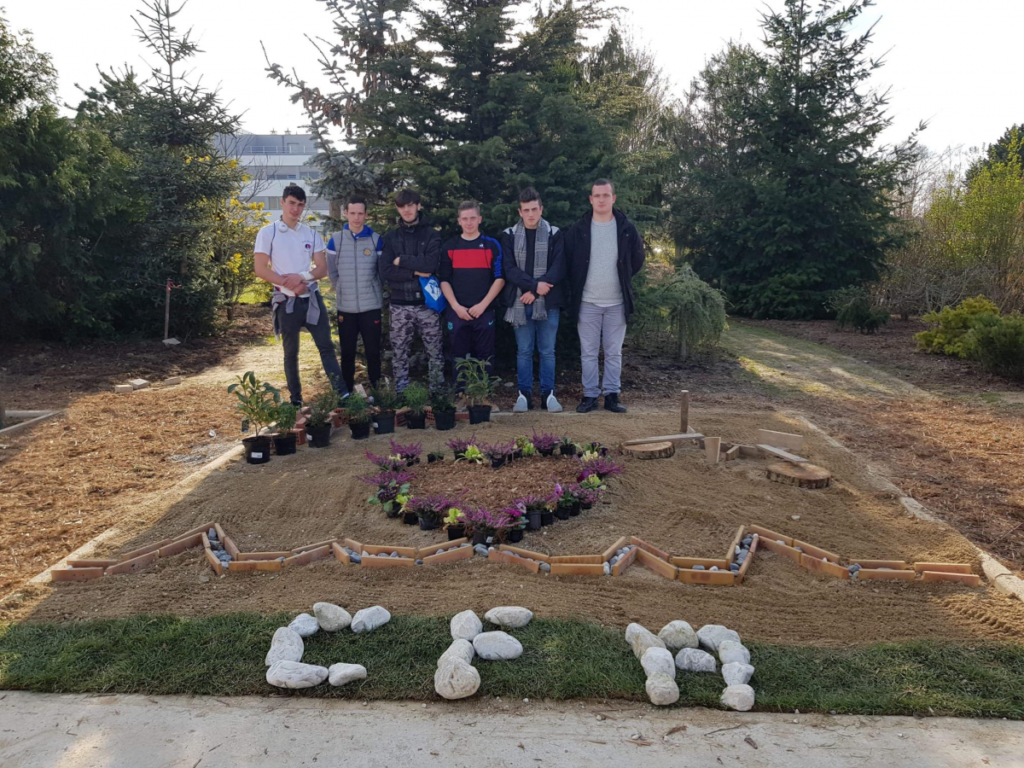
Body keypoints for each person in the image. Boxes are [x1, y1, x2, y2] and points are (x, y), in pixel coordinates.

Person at [253, 184, 346, 406]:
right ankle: (296, 401)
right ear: (283, 202)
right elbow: (261, 269)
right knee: (290, 353)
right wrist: (291, 283)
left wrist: (301, 277)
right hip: (286, 302)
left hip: (311, 299)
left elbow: (322, 269)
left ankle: (343, 395)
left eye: (300, 205)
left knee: (326, 348)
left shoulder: (311, 233)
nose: (296, 209)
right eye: (292, 203)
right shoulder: (268, 232)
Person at [565, 179, 645, 414]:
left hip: (617, 302)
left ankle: (612, 395)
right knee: (588, 352)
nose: (601, 199)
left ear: (613, 198)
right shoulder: (579, 229)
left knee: (613, 352)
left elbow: (637, 259)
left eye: (605, 195)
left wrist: (623, 275)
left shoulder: (626, 228)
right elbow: (568, 261)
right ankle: (589, 396)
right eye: (597, 195)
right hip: (587, 301)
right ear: (591, 199)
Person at [500, 187, 566, 413]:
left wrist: (536, 291)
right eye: (526, 210)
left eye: (534, 209)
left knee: (548, 351)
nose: (531, 214)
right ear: (520, 211)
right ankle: (524, 395)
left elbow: (558, 268)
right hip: (520, 303)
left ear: (541, 209)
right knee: (524, 351)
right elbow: (509, 269)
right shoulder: (509, 235)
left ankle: (549, 394)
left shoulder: (554, 233)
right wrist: (533, 286)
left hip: (547, 303)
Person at [378, 188, 444, 392]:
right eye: (402, 206)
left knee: (435, 352)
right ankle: (401, 394)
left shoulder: (432, 235)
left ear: (418, 206)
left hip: (427, 306)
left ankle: (437, 394)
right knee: (399, 353)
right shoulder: (390, 238)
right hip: (399, 305)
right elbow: (386, 270)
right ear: (397, 209)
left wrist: (403, 261)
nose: (406, 210)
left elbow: (431, 265)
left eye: (410, 205)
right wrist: (416, 272)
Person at [439, 201, 505, 383]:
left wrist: (483, 305)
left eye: (473, 218)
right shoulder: (450, 246)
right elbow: (444, 280)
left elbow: (500, 278)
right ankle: (461, 395)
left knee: (486, 355)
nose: (469, 222)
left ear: (480, 219)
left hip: (484, 310)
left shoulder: (492, 245)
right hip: (458, 311)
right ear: (459, 221)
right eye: (465, 219)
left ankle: (484, 397)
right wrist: (456, 306)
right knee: (458, 355)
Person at [326, 195, 384, 394]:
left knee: (373, 352)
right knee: (348, 353)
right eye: (352, 213)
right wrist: (342, 288)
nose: (356, 218)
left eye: (360, 213)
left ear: (366, 215)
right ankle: (347, 395)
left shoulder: (376, 240)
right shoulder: (335, 240)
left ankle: (377, 393)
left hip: (371, 307)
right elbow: (332, 272)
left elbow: (380, 271)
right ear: (346, 213)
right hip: (346, 308)